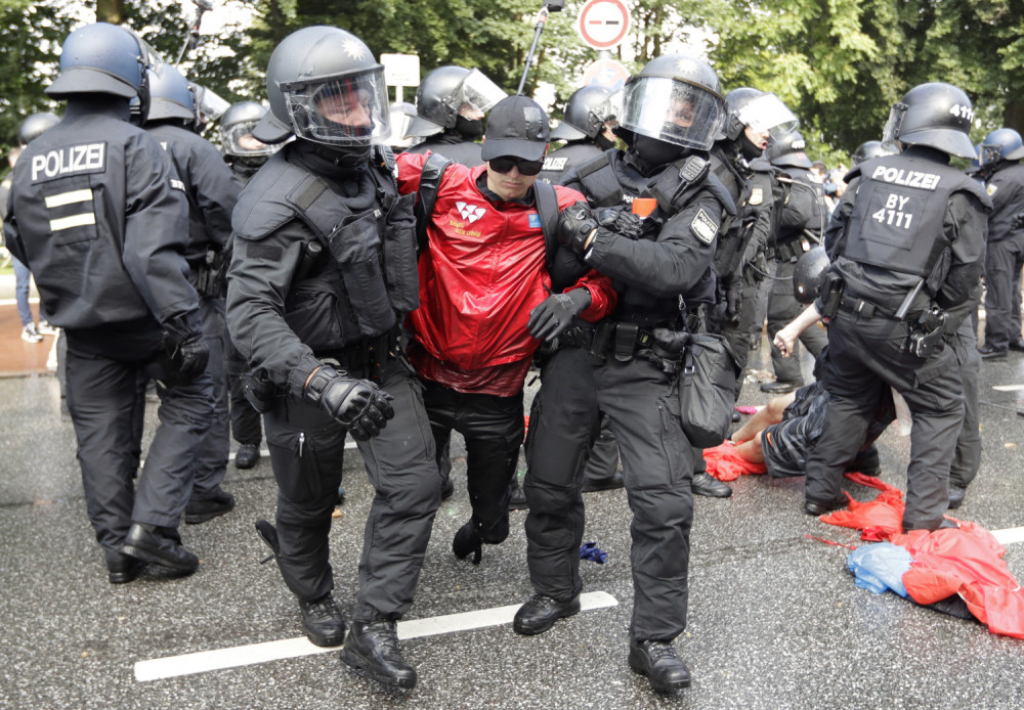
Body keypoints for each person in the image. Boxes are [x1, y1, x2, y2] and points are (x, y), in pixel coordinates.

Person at [225, 25, 437, 690]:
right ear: (299, 109)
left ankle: (374, 626)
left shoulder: (368, 168)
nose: (358, 109)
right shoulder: (273, 199)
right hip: (307, 379)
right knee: (308, 502)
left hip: (378, 361)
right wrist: (318, 379)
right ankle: (311, 588)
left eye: (360, 93)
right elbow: (247, 313)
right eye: (338, 99)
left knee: (415, 487)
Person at [516, 54, 736, 694]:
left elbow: (673, 270)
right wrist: (578, 252)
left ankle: (655, 638)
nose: (676, 117)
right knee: (551, 480)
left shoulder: (702, 186)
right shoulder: (583, 170)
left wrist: (593, 241)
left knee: (664, 502)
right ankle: (556, 588)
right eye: (670, 101)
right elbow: (542, 258)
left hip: (649, 359)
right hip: (578, 351)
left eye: (691, 107)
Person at [3, 23, 214, 582]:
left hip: (82, 326)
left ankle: (118, 550)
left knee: (100, 435)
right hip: (147, 318)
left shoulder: (32, 158)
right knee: (196, 396)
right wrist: (184, 323)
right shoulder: (135, 144)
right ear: (129, 78)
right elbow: (150, 251)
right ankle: (153, 525)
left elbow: (18, 239)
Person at [395, 95, 616, 565]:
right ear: (484, 148)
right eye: (504, 161)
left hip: (498, 389)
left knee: (495, 519)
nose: (515, 174)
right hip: (428, 376)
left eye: (529, 163)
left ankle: (480, 528)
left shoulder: (562, 206)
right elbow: (358, 168)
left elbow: (607, 282)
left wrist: (573, 299)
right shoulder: (438, 180)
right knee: (409, 496)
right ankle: (392, 586)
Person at [799, 82, 990, 532]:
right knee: (942, 406)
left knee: (848, 397)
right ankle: (923, 519)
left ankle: (820, 494)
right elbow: (965, 281)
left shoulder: (866, 174)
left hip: (845, 311)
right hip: (901, 323)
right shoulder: (961, 193)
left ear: (912, 122)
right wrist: (933, 323)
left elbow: (835, 243)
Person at [141, 62, 242, 524]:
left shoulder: (128, 143)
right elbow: (228, 215)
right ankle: (203, 490)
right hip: (195, 292)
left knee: (156, 399)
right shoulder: (197, 149)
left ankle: (144, 502)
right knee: (206, 390)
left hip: (138, 296)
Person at [536, 84, 623, 494]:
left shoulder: (547, 158)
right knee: (589, 389)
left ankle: (541, 465)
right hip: (582, 296)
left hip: (535, 287)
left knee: (547, 393)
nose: (614, 130)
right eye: (608, 122)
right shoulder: (600, 164)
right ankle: (595, 468)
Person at [219, 100, 280, 470]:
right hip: (234, 289)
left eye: (259, 134)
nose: (254, 143)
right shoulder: (220, 178)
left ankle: (293, 444)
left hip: (279, 287)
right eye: (246, 135)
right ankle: (247, 440)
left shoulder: (283, 173)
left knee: (283, 367)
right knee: (238, 372)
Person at [762, 129, 827, 395]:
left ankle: (788, 377)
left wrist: (768, 228)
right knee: (799, 317)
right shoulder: (807, 173)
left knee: (779, 315)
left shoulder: (791, 175)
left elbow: (797, 215)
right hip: (807, 256)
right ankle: (835, 362)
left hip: (794, 258)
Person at [1, 113, 61, 342]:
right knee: (23, 286)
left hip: (35, 240)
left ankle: (45, 319)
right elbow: (9, 219)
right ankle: (28, 324)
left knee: (44, 281)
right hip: (23, 242)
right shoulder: (10, 184)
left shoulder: (30, 178)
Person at [977, 128, 1024, 360]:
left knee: (998, 293)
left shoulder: (1004, 177)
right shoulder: (1020, 172)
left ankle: (996, 344)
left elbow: (985, 204)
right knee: (1012, 292)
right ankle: (1013, 336)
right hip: (1016, 240)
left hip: (1001, 241)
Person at [403, 65, 506, 167]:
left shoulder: (406, 158)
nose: (481, 115)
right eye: (471, 108)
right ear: (447, 111)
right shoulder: (483, 159)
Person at [537, 85, 617, 184]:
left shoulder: (545, 160)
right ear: (594, 123)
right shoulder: (601, 165)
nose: (616, 133)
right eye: (612, 125)